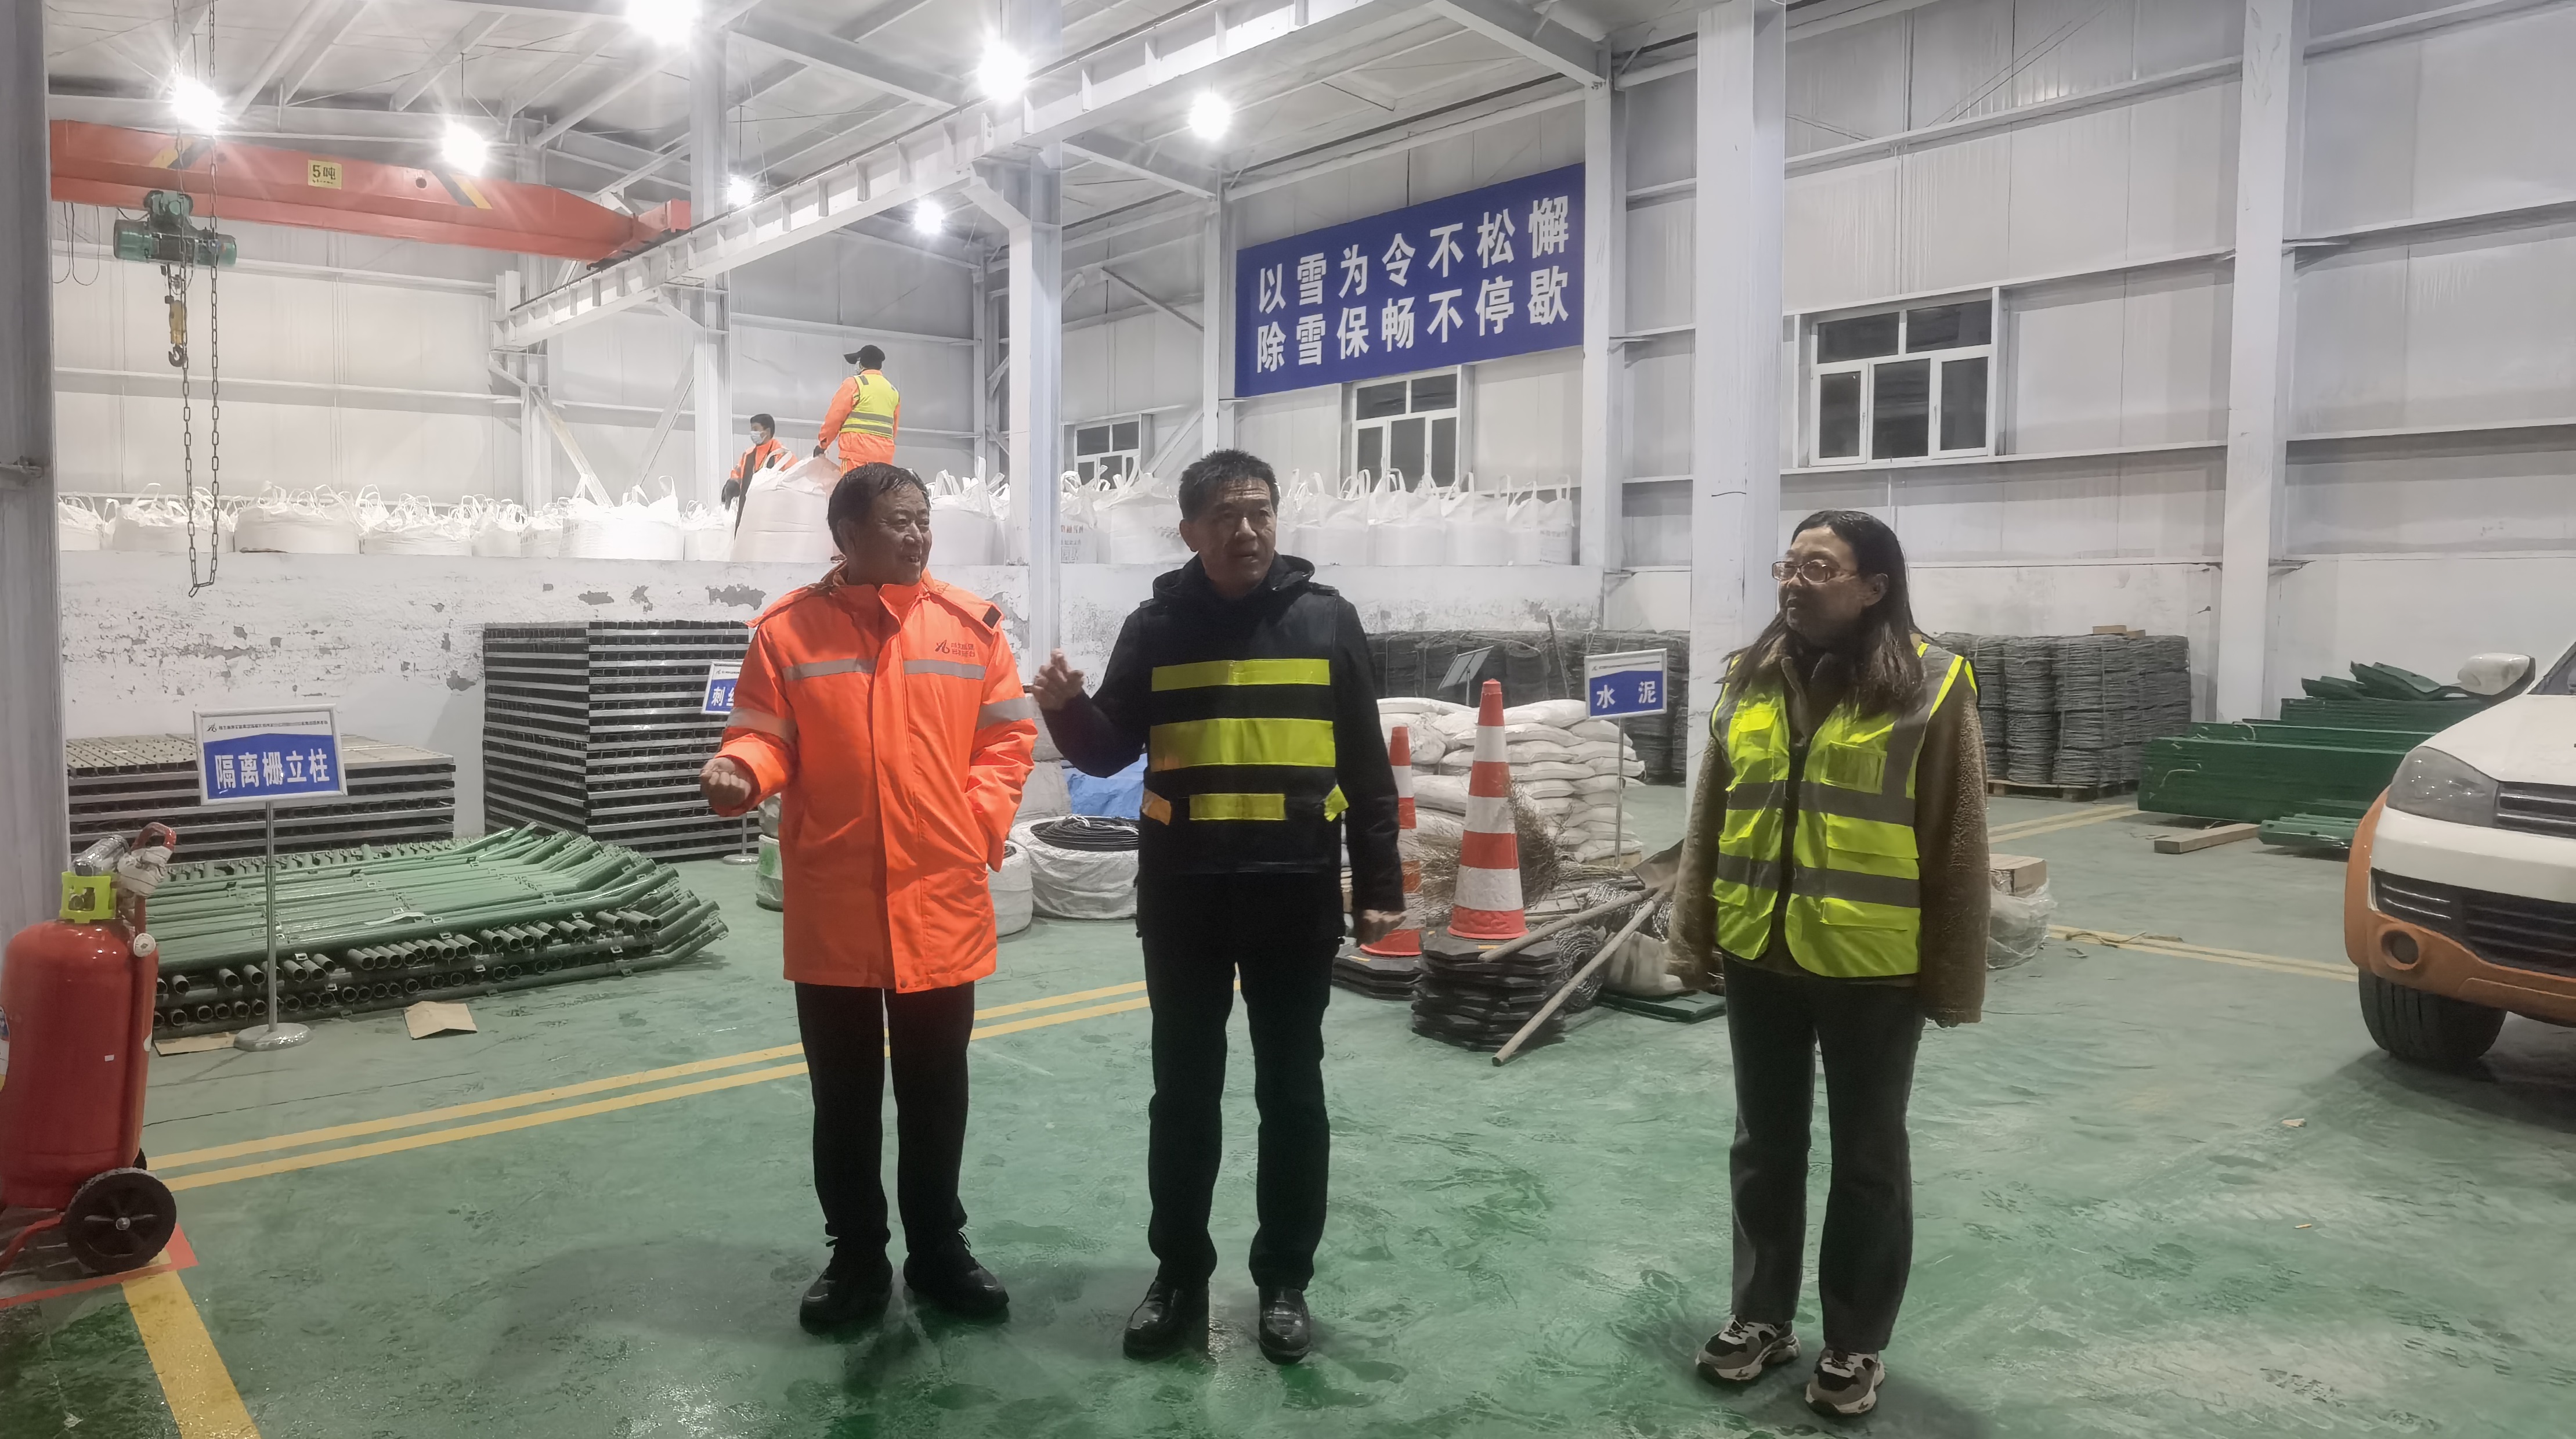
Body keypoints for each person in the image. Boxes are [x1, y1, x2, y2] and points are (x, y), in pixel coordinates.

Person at [1030, 448, 1404, 1366]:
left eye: (1260, 511)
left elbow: (1366, 765)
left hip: (1294, 894)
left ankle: (1283, 1280)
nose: (1247, 529)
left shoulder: (1326, 619)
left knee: (1292, 1093)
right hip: (1186, 898)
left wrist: (1380, 888)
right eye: (1227, 515)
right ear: (1189, 530)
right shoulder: (1155, 626)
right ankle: (1179, 1275)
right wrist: (1067, 710)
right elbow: (1110, 751)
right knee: (1184, 1094)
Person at [698, 462, 1038, 1333]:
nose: (917, 535)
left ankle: (938, 1250)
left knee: (936, 1089)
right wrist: (741, 769)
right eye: (897, 522)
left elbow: (1005, 743)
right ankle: (854, 1257)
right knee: (843, 1095)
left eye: (923, 519)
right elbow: (763, 734)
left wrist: (975, 824)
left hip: (939, 900)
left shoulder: (969, 627)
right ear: (846, 536)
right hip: (837, 901)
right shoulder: (786, 632)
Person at [1666, 509, 1989, 1418]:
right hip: (1758, 949)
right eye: (1787, 564)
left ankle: (1853, 1340)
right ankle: (1760, 1315)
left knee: (1868, 1158)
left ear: (1873, 586)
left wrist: (1951, 973)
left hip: (1869, 963)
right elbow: (1710, 814)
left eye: (1817, 567)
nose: (1792, 582)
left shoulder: (1931, 682)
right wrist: (1693, 932)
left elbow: (1957, 836)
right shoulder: (1747, 677)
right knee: (1762, 1145)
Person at [816, 345, 899, 471]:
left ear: (861, 363)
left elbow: (835, 418)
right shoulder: (892, 391)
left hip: (857, 454)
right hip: (884, 458)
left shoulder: (854, 384)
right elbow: (893, 429)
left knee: (854, 484)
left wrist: (823, 444)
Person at [718, 413, 788, 530]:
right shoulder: (748, 455)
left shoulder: (783, 455)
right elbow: (738, 474)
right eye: (752, 430)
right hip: (747, 512)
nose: (752, 433)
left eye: (756, 429)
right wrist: (733, 483)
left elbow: (792, 482)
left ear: (767, 431)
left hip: (772, 515)